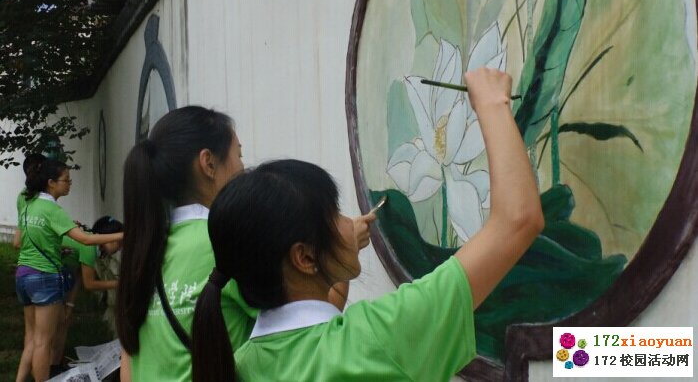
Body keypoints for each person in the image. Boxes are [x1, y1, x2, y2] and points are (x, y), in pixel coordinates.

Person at [191, 68, 544, 382]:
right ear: (304, 258)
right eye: (335, 215)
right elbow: (518, 219)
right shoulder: (378, 335)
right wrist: (492, 103)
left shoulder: (235, 366)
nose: (348, 224)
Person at [115, 106, 256, 382]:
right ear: (208, 163)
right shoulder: (229, 242)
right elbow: (298, 333)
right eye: (238, 155)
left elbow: (127, 365)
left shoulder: (144, 250)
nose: (243, 168)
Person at [15, 158, 124, 382]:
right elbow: (85, 239)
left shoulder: (27, 202)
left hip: (23, 276)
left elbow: (22, 240)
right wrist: (124, 234)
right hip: (44, 278)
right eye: (66, 180)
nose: (69, 184)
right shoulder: (52, 209)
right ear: (51, 183)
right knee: (44, 342)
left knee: (32, 338)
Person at [52, 217, 123, 372]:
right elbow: (89, 284)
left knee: (62, 323)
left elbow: (79, 276)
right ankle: (48, 368)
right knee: (52, 329)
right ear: (107, 238)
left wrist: (69, 306)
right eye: (118, 242)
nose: (119, 248)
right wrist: (121, 283)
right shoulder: (89, 247)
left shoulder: (91, 247)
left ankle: (55, 365)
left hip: (57, 278)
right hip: (46, 278)